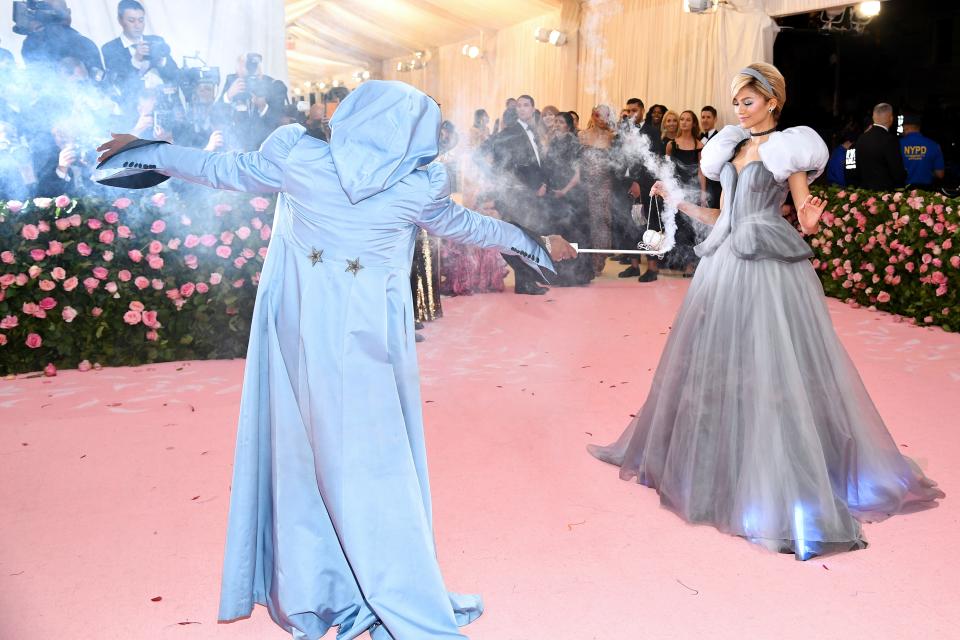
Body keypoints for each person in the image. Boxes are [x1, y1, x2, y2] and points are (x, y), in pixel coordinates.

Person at [95, 80, 576, 639]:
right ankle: (382, 582)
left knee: (307, 455)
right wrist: (536, 242)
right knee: (370, 463)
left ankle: (324, 583)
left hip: (301, 335)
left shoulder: (297, 157)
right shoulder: (416, 188)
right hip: (368, 341)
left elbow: (219, 167)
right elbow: (474, 227)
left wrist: (146, 150)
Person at [588, 63, 943, 560]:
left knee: (775, 365)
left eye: (748, 101)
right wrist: (677, 200)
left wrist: (812, 219)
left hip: (769, 268)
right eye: (737, 102)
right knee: (716, 365)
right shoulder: (729, 148)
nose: (740, 109)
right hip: (724, 262)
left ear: (773, 101)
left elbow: (803, 213)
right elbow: (722, 215)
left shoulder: (788, 150)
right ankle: (715, 463)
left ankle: (783, 474)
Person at [489, 94, 553, 294]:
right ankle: (525, 283)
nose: (521, 109)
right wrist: (529, 186)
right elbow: (508, 165)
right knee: (522, 237)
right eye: (518, 106)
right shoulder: (512, 132)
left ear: (533, 109)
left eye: (526, 105)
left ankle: (526, 281)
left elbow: (536, 162)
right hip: (518, 193)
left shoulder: (532, 131)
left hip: (532, 191)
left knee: (529, 236)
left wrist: (543, 182)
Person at [101, 0, 179, 113]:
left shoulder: (156, 41)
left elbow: (174, 74)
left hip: (163, 105)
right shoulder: (110, 48)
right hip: (132, 110)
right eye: (131, 20)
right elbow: (120, 83)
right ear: (120, 21)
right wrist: (136, 60)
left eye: (141, 20)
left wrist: (161, 61)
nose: (137, 26)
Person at [544, 111, 594, 285]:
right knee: (558, 233)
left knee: (574, 233)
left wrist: (564, 191)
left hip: (572, 196)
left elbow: (578, 175)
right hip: (554, 195)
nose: (556, 124)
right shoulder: (552, 143)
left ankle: (577, 275)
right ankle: (559, 274)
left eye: (561, 122)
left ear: (569, 126)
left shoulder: (575, 145)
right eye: (555, 121)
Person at [579, 104, 617, 275]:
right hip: (585, 184)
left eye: (606, 115)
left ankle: (599, 259)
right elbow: (576, 162)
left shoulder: (612, 137)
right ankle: (586, 260)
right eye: (600, 115)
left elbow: (617, 163)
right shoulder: (582, 135)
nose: (603, 119)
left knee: (602, 221)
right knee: (586, 220)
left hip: (605, 184)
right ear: (593, 116)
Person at [854, 103, 906, 190]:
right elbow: (897, 172)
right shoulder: (889, 140)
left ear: (873, 117)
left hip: (865, 191)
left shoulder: (862, 138)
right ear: (891, 118)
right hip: (885, 194)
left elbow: (857, 167)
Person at [899, 114, 944, 189]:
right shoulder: (934, 145)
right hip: (926, 193)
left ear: (905, 127)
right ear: (918, 127)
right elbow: (940, 174)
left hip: (903, 192)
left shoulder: (897, 144)